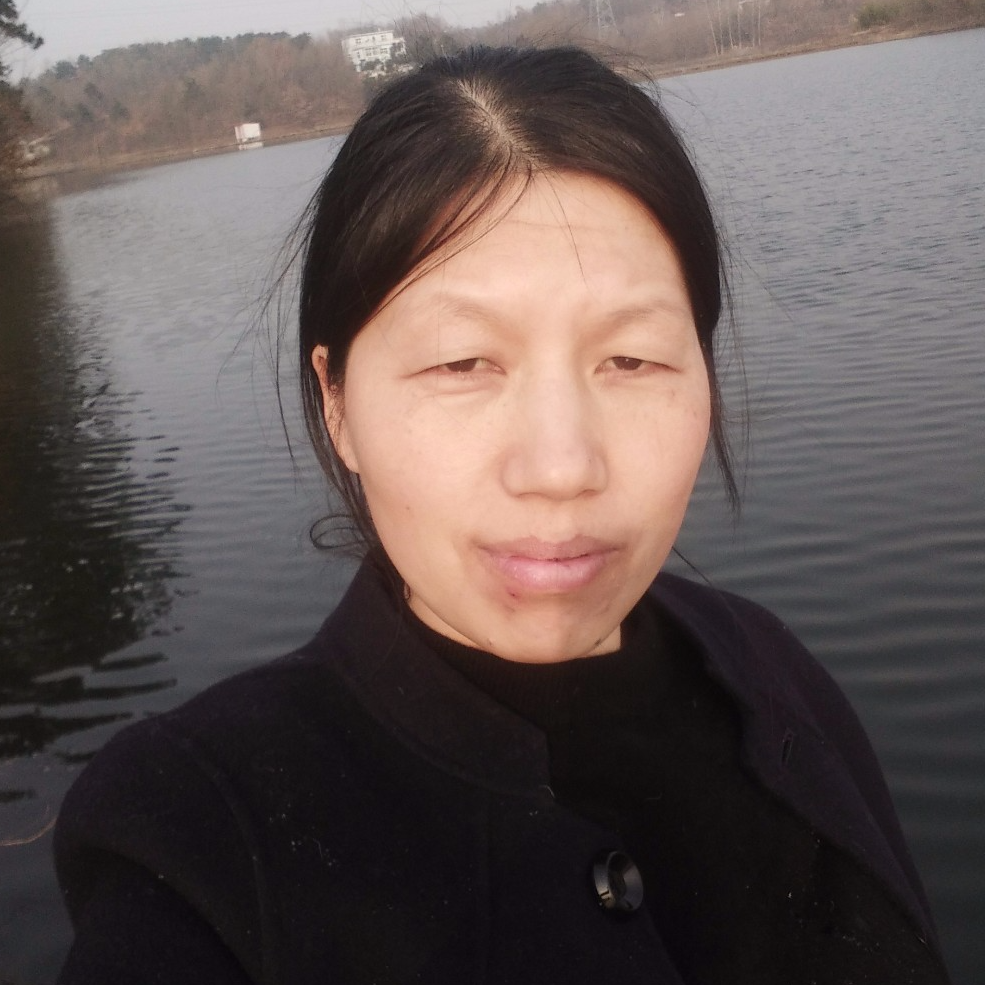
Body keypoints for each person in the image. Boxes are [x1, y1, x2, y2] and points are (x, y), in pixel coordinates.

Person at [53, 45, 950, 984]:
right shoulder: (199, 840)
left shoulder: (772, 676)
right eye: (461, 362)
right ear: (337, 403)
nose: (561, 467)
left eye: (632, 359)